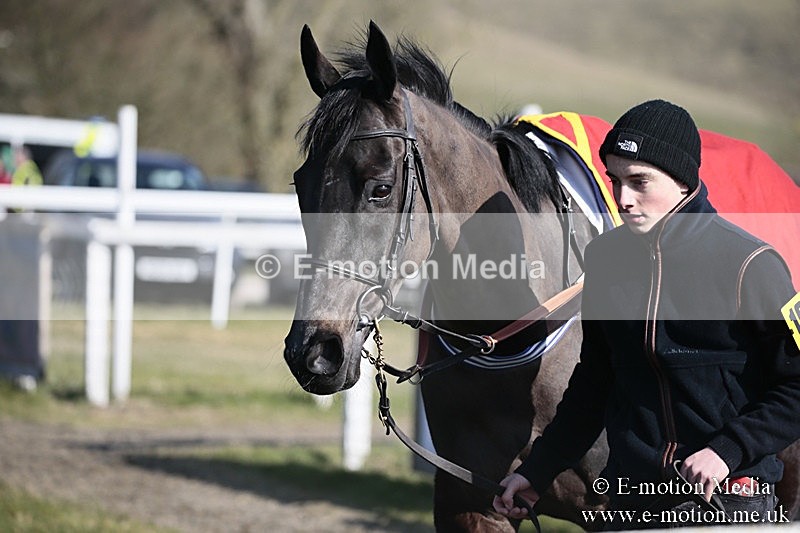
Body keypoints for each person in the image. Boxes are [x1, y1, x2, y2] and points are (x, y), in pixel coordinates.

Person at [493, 99, 800, 528]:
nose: (623, 198)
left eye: (640, 182)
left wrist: (728, 450)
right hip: (627, 504)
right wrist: (536, 472)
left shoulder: (750, 263)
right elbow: (593, 386)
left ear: (682, 181)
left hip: (729, 504)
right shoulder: (605, 259)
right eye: (614, 181)